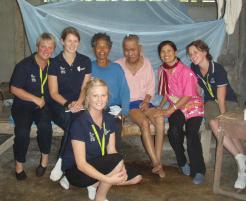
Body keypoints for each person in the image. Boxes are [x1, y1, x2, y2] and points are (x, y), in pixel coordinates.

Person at [62, 78, 142, 201]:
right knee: (116, 163)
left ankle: (94, 184)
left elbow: (111, 150)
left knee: (136, 177)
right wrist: (108, 179)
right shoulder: (79, 123)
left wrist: (121, 169)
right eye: (95, 96)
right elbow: (81, 165)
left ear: (107, 97)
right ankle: (100, 197)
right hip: (77, 171)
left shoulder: (109, 119)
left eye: (103, 95)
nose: (100, 100)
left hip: (98, 163)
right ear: (88, 98)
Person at [186, 39, 246, 189]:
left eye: (195, 52)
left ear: (205, 52)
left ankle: (242, 168)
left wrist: (224, 118)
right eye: (190, 54)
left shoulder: (217, 69)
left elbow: (221, 97)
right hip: (210, 103)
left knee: (228, 129)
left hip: (228, 101)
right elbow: (197, 87)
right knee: (214, 123)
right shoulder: (193, 67)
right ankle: (241, 160)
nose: (192, 56)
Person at [116, 34, 165, 178]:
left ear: (140, 48)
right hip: (129, 104)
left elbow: (151, 86)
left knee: (160, 118)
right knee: (144, 123)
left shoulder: (147, 63)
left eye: (133, 49)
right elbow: (117, 89)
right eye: (126, 50)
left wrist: (146, 100)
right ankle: (156, 164)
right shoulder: (118, 65)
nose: (130, 53)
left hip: (145, 102)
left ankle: (157, 160)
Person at [157, 40, 205, 184]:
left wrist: (170, 110)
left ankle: (198, 170)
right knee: (173, 132)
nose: (166, 54)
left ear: (175, 53)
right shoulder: (162, 70)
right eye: (163, 51)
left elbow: (188, 96)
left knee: (191, 135)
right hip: (177, 106)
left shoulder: (185, 71)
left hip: (192, 105)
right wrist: (160, 107)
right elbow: (166, 93)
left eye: (169, 51)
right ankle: (182, 161)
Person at [10, 32, 56, 180]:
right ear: (37, 47)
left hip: (43, 106)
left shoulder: (53, 65)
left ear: (53, 49)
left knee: (45, 127)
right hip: (23, 105)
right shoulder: (24, 65)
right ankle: (19, 165)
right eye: (43, 46)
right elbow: (14, 89)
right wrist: (35, 99)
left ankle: (44, 160)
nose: (46, 50)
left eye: (50, 47)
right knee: (22, 131)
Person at [48, 27, 91, 182]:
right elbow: (53, 92)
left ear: (78, 43)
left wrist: (78, 103)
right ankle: (65, 166)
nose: (72, 44)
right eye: (69, 41)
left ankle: (62, 163)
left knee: (81, 122)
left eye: (75, 41)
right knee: (73, 123)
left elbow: (85, 88)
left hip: (79, 104)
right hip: (59, 105)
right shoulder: (54, 63)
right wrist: (68, 104)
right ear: (62, 42)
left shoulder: (85, 61)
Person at [91, 33, 130, 149]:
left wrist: (124, 112)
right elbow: (84, 89)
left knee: (115, 126)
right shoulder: (89, 67)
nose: (102, 50)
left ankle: (114, 160)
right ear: (94, 48)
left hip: (114, 109)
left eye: (105, 47)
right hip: (95, 107)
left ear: (110, 49)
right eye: (98, 46)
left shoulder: (116, 68)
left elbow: (125, 91)